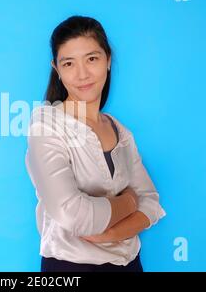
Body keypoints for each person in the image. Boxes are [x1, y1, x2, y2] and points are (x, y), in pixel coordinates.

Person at [25, 15, 166, 272]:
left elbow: (152, 202)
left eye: (92, 59)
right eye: (68, 63)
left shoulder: (120, 130)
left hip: (130, 265)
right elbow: (72, 214)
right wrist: (129, 203)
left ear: (108, 60)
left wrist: (110, 235)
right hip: (70, 268)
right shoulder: (46, 126)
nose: (82, 74)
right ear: (56, 69)